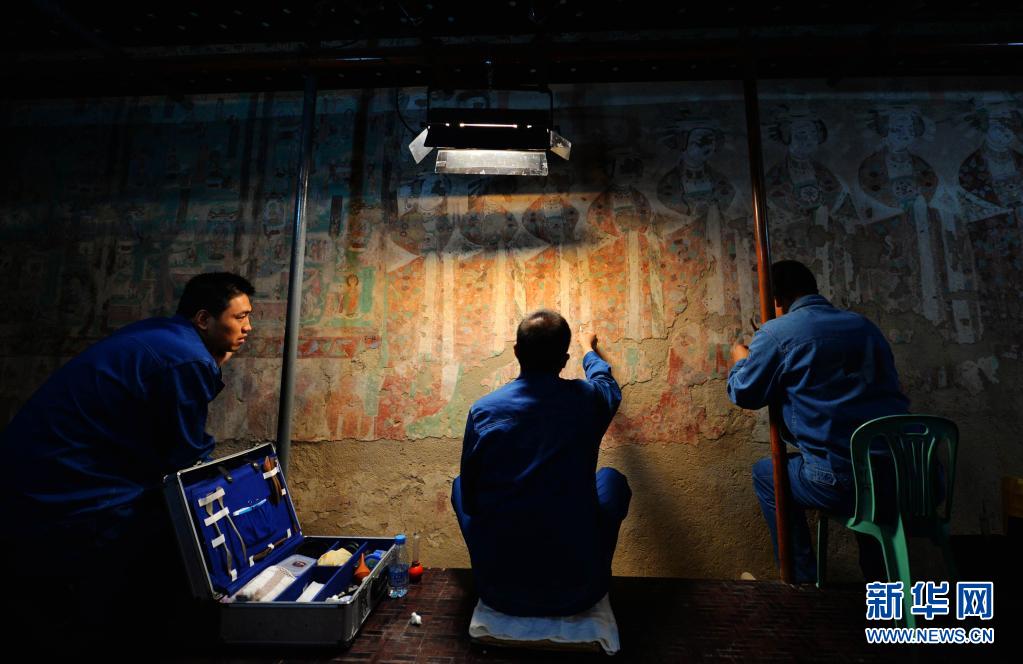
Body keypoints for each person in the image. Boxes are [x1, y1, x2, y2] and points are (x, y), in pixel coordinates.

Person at [0, 271, 254, 645]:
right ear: (204, 319)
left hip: (35, 465)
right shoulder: (187, 359)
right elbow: (185, 457)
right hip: (64, 481)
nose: (248, 327)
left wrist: (212, 361)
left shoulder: (168, 336)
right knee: (164, 540)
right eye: (240, 316)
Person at [727, 260, 909, 583]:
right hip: (905, 475)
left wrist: (740, 360)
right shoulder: (864, 326)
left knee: (766, 474)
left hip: (844, 483)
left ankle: (801, 580)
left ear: (776, 299)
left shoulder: (778, 332)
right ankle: (881, 584)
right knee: (866, 476)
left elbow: (745, 393)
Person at [451, 310, 631, 616]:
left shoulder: (483, 411)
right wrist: (588, 348)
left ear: (516, 352)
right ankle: (593, 565)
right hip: (580, 592)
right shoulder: (588, 400)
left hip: (499, 591)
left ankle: (499, 565)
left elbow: (470, 501)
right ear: (564, 360)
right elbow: (606, 384)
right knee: (611, 480)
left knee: (460, 486)